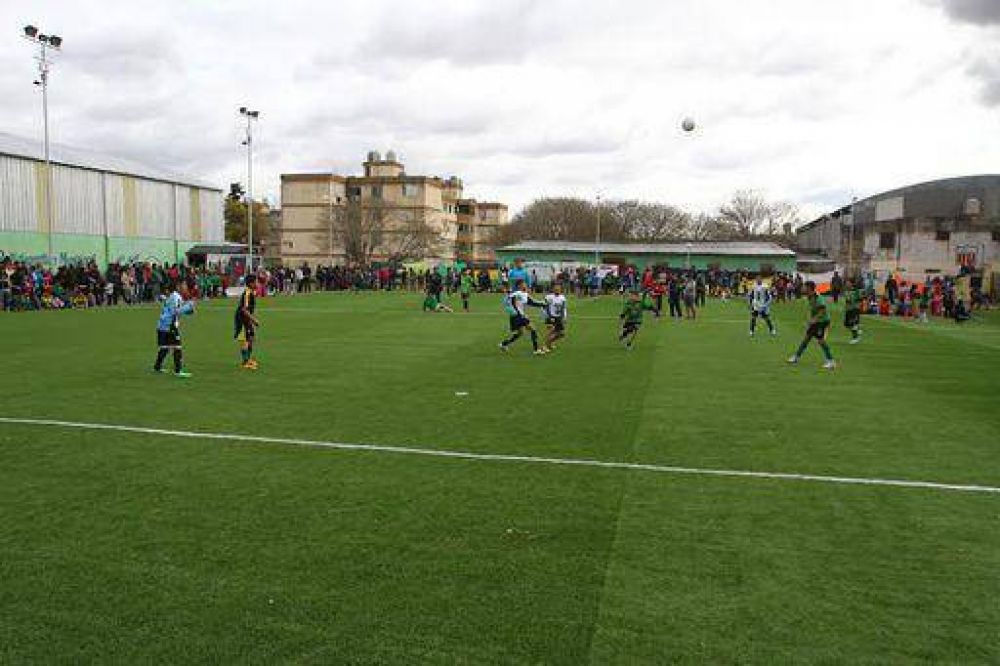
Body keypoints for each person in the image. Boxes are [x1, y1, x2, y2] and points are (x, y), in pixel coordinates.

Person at [788, 281, 836, 370]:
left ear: (809, 288)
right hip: (816, 322)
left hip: (823, 322)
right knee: (806, 339)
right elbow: (813, 310)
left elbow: (823, 310)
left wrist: (814, 319)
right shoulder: (809, 297)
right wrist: (810, 320)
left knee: (821, 341)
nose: (802, 288)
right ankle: (796, 357)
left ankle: (831, 361)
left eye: (804, 287)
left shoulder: (817, 297)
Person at [153, 281, 195, 378]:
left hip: (162, 325)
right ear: (178, 286)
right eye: (183, 285)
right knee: (177, 347)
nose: (185, 287)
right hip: (169, 325)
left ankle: (157, 367)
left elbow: (176, 310)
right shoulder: (176, 297)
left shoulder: (173, 296)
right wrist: (188, 307)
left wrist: (189, 310)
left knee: (165, 347)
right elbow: (175, 311)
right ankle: (178, 371)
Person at [499, 280, 545, 355]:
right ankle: (536, 350)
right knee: (533, 329)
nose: (525, 285)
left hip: (513, 317)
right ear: (519, 286)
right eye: (524, 284)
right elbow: (532, 303)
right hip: (519, 316)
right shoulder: (521, 294)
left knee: (520, 333)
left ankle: (504, 344)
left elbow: (508, 300)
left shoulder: (516, 293)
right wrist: (543, 304)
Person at [234, 277, 261, 370]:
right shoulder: (247, 293)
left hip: (247, 318)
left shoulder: (251, 293)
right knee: (245, 339)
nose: (257, 284)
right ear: (250, 283)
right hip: (242, 319)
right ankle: (245, 362)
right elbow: (244, 309)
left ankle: (248, 359)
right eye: (255, 282)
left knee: (251, 337)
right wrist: (254, 320)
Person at [540, 283, 569, 353]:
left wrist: (564, 317)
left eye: (558, 289)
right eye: (556, 289)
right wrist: (545, 316)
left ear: (561, 290)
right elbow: (543, 306)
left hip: (558, 317)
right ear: (553, 289)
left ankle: (549, 343)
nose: (557, 290)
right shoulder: (549, 297)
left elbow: (563, 308)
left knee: (561, 334)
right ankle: (544, 346)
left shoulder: (562, 298)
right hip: (551, 317)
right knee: (551, 331)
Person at [844, 278, 863, 344]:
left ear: (851, 283)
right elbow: (847, 300)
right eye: (846, 283)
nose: (846, 284)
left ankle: (855, 338)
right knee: (846, 325)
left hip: (854, 309)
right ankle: (857, 330)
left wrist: (857, 308)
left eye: (848, 282)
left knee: (853, 324)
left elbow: (860, 300)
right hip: (848, 310)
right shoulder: (846, 290)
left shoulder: (856, 291)